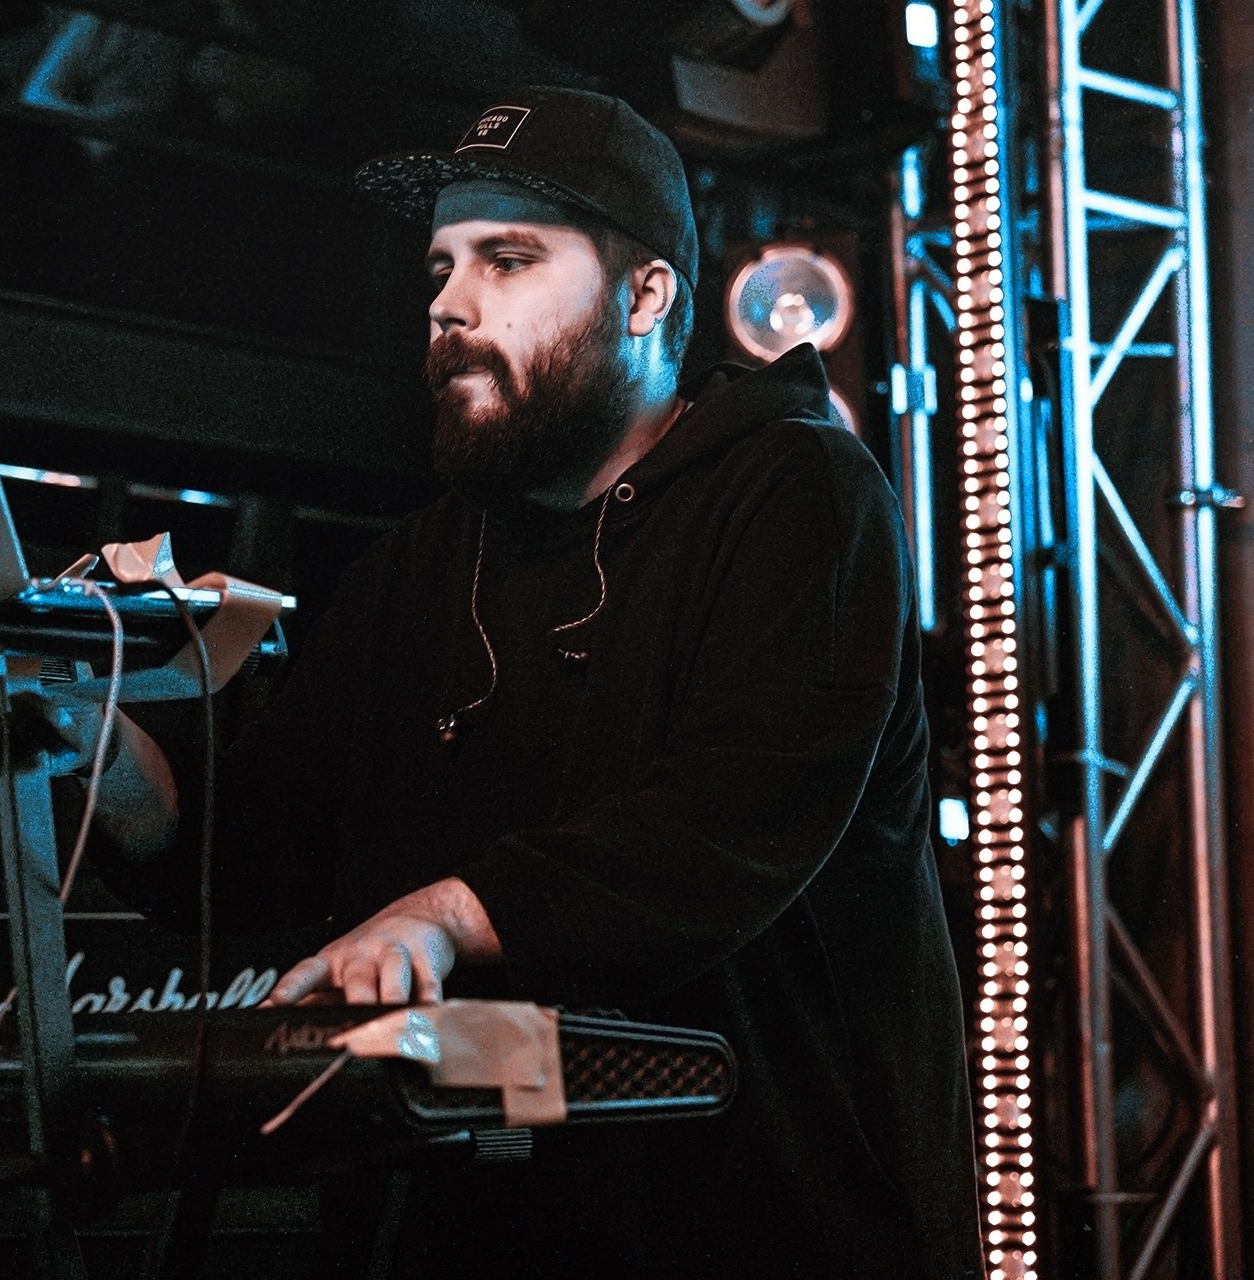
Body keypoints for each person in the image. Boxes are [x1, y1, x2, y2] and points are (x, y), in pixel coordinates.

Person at [89, 85, 982, 1279]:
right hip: (491, 1225)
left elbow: (731, 822)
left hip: (776, 1221)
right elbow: (248, 847)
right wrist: (86, 732)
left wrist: (443, 914)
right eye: (441, 267)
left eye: (506, 261)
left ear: (646, 296)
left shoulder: (798, 493)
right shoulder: (418, 569)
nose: (449, 303)